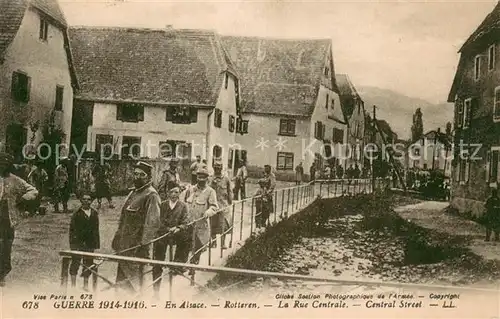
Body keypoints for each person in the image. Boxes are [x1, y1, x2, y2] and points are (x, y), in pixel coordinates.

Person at [112, 161, 161, 293]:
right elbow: (123, 218)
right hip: (124, 246)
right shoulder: (133, 193)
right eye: (135, 174)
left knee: (136, 285)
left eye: (141, 175)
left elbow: (152, 224)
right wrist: (117, 237)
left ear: (148, 178)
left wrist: (143, 245)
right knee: (121, 284)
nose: (137, 177)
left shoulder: (151, 195)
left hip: (137, 248)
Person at [0, 152, 38, 287]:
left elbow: (33, 190)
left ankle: (2, 274)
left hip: (7, 218)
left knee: (6, 247)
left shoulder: (15, 180)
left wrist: (22, 199)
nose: (2, 166)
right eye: (1, 163)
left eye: (5, 164)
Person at [152, 187, 190, 297]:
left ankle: (177, 268)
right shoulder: (162, 205)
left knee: (185, 242)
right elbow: (157, 220)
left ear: (179, 194)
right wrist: (167, 229)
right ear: (168, 193)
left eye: (176, 192)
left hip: (176, 235)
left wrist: (178, 227)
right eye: (171, 192)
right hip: (163, 234)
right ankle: (156, 291)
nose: (174, 194)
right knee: (157, 261)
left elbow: (185, 220)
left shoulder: (183, 206)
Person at [180, 166, 218, 273]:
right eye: (199, 177)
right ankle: (182, 266)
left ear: (207, 179)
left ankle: (193, 268)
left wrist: (208, 212)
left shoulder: (210, 192)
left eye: (203, 178)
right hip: (188, 223)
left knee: (197, 247)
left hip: (201, 225)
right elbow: (183, 204)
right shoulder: (190, 190)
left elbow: (214, 207)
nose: (201, 180)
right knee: (185, 245)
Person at [69, 193, 100, 291]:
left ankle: (85, 285)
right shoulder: (77, 214)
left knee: (88, 263)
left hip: (90, 243)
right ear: (81, 201)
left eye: (89, 199)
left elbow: (96, 230)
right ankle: (73, 285)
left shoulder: (94, 213)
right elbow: (72, 230)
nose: (87, 201)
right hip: (78, 243)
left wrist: (95, 244)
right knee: (75, 262)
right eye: (84, 199)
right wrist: (73, 245)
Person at [209, 160, 232, 249]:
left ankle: (223, 243)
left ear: (221, 168)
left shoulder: (226, 179)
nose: (217, 169)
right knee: (213, 224)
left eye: (219, 167)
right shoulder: (210, 178)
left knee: (223, 225)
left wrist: (230, 202)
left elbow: (230, 191)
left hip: (223, 205)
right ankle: (214, 242)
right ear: (213, 168)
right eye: (215, 167)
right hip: (213, 205)